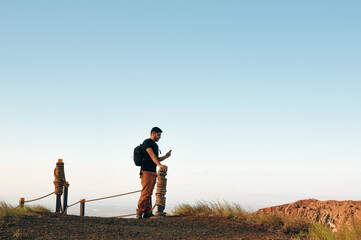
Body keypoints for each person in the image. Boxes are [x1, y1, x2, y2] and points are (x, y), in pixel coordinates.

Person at [136, 127, 171, 219]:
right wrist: (160, 165)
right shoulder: (147, 142)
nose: (160, 137)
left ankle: (147, 212)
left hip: (152, 171)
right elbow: (151, 154)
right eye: (158, 135)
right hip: (146, 171)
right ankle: (139, 212)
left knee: (149, 193)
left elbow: (156, 158)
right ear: (153, 133)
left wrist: (166, 157)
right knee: (146, 192)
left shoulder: (155, 145)